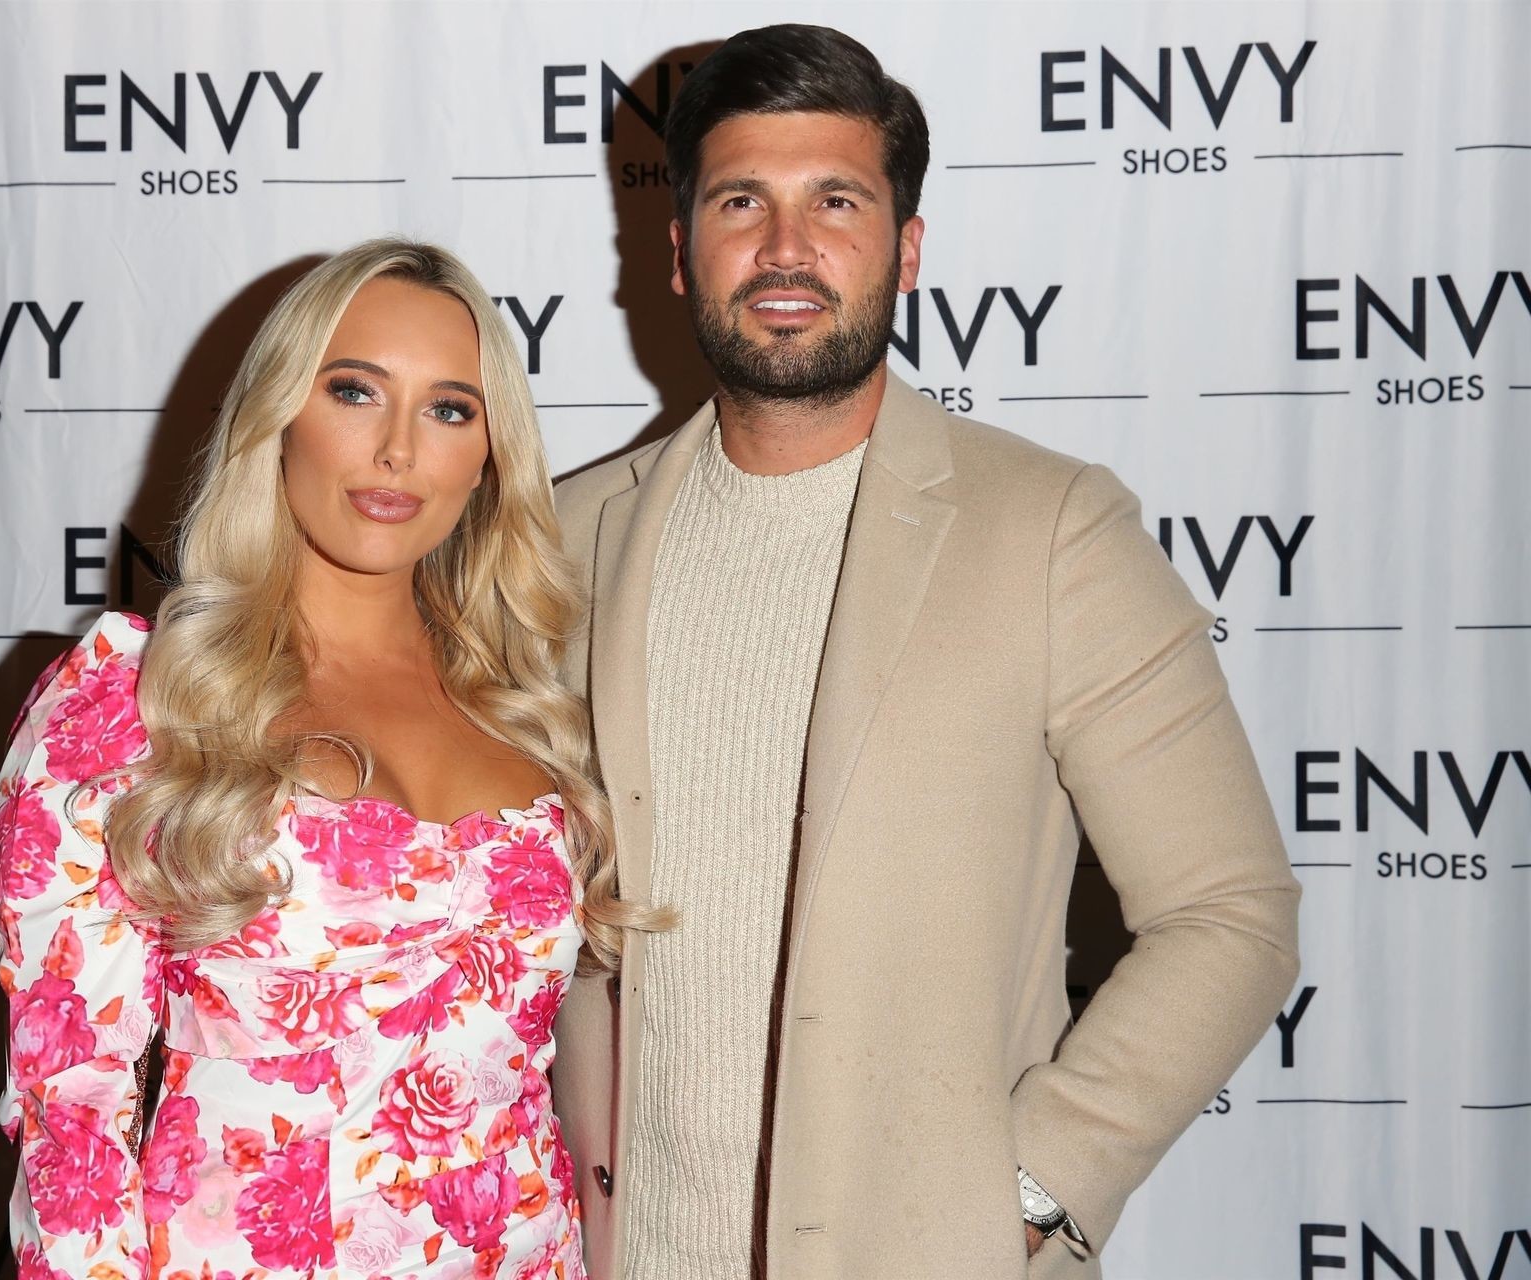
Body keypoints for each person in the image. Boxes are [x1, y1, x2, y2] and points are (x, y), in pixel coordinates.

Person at [549, 24, 1302, 1280]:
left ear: (906, 248)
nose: (786, 247)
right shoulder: (560, 546)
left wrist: (1029, 1190)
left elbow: (1230, 912)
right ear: (678, 252)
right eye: (742, 201)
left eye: (836, 201)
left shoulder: (1052, 530)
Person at [0, 239, 651, 1279]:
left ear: (488, 456)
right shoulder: (137, 700)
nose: (398, 450)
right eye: (354, 391)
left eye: (449, 410)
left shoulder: (526, 707)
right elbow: (71, 1116)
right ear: (279, 413)